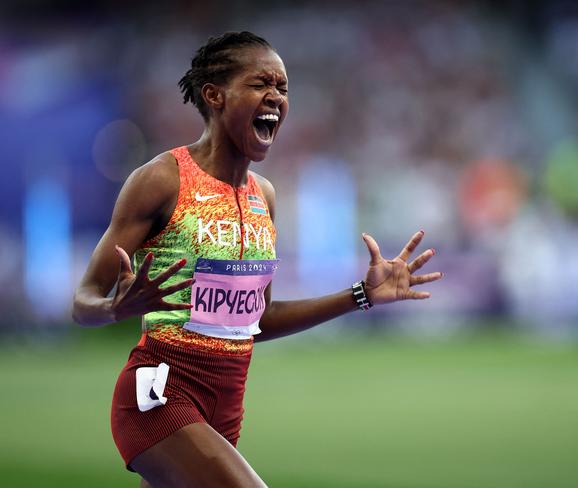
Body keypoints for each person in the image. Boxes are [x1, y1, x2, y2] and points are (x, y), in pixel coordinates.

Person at [72, 31, 442, 488]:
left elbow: (257, 320)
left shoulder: (263, 196)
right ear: (215, 96)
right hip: (161, 394)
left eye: (283, 88)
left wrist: (361, 296)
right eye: (261, 83)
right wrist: (113, 308)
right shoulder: (161, 180)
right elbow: (82, 301)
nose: (276, 96)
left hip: (225, 409)